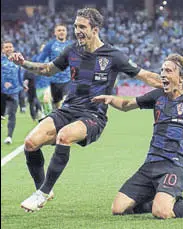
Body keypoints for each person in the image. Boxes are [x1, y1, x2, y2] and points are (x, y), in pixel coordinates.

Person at [8, 7, 162, 212]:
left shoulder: (113, 55)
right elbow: (47, 69)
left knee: (64, 136)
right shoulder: (72, 50)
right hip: (68, 109)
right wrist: (23, 63)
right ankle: (43, 188)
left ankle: (42, 193)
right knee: (30, 143)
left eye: (82, 27)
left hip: (93, 115)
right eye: (75, 26)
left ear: (95, 29)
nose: (77, 30)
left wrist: (177, 86)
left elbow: (145, 76)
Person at [92, 53, 183, 219]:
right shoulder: (157, 96)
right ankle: (160, 198)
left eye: (168, 71)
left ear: (181, 77)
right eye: (162, 70)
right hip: (150, 164)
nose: (163, 74)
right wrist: (111, 99)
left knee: (161, 212)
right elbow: (126, 105)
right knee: (118, 209)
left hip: (174, 166)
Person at [38, 24, 73, 109]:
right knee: (57, 107)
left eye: (63, 30)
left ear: (66, 32)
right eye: (59, 30)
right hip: (54, 80)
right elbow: (40, 60)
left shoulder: (71, 45)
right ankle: (58, 120)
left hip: (68, 79)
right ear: (55, 33)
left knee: (65, 102)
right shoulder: (50, 45)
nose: (61, 32)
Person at [1, 41, 25, 144]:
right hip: (2, 91)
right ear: (3, 50)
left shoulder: (17, 60)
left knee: (12, 114)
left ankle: (9, 137)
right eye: (6, 47)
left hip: (14, 91)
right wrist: (3, 83)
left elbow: (19, 73)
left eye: (10, 47)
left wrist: (22, 84)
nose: (9, 48)